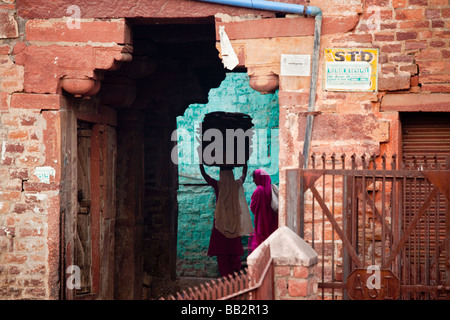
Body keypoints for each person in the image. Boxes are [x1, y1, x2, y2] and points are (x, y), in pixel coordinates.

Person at [199, 162, 249, 278]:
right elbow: (243, 176)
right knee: (233, 251)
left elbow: (205, 176)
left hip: (220, 226)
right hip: (234, 224)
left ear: (221, 175)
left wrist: (200, 163)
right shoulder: (236, 185)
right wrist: (245, 163)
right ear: (231, 174)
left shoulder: (218, 185)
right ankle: (234, 278)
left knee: (222, 253)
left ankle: (225, 278)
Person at [249, 169, 278, 253]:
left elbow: (253, 207)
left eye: (254, 178)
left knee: (259, 246)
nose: (253, 180)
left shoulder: (258, 190)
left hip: (261, 223)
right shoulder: (271, 188)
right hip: (272, 222)